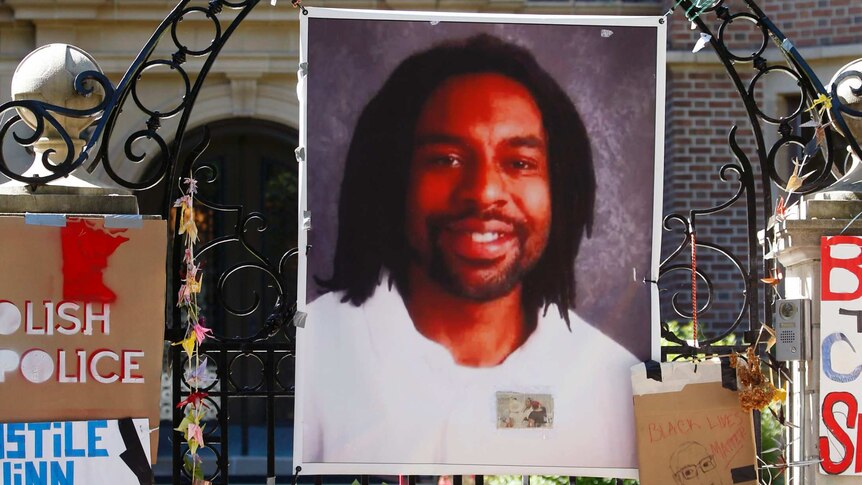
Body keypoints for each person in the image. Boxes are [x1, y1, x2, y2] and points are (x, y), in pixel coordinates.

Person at [299, 34, 639, 472]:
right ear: (394, 177)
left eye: (519, 163)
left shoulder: (607, 376)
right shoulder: (318, 351)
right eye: (446, 159)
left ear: (558, 189)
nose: (483, 193)